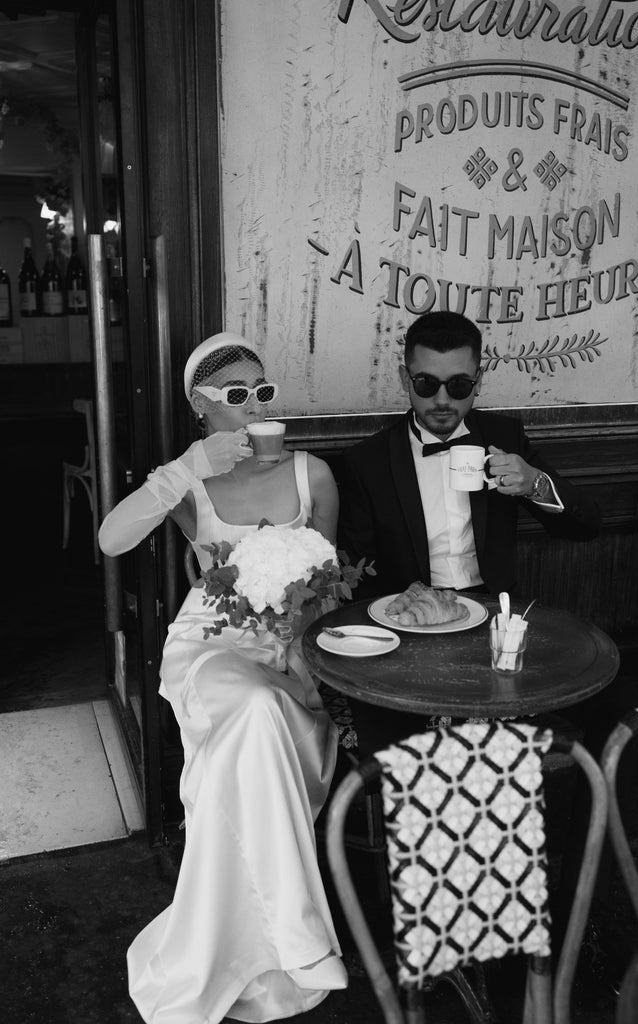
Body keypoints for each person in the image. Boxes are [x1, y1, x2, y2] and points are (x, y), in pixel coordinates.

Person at [99, 332, 347, 1024]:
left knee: (261, 730)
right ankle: (296, 943)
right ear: (200, 406)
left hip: (294, 642)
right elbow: (111, 540)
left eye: (261, 392)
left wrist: (304, 651)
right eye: (235, 395)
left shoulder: (312, 475)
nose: (252, 406)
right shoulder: (191, 483)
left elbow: (329, 584)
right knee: (257, 716)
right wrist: (184, 467)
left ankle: (249, 943)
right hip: (210, 643)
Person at [337, 310, 602, 753]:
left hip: (496, 621)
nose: (442, 399)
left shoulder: (506, 437)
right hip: (407, 628)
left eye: (458, 386)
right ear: (406, 379)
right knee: (392, 755)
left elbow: (587, 527)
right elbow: (354, 570)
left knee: (617, 709)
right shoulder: (366, 462)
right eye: (426, 384)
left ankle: (582, 818)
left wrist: (534, 482)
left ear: (478, 381)